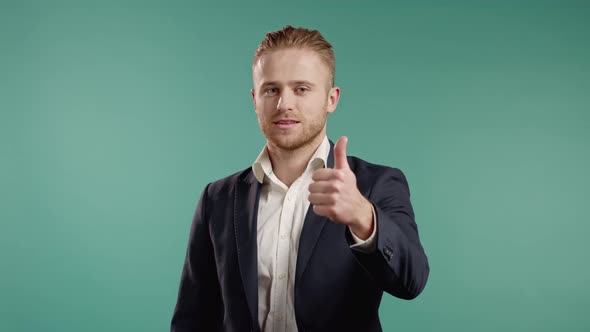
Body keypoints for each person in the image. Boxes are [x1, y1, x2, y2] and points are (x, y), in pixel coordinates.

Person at [171, 25, 430, 332]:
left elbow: (412, 280)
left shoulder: (377, 184)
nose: (284, 104)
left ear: (331, 99)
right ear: (255, 99)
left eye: (302, 89)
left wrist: (363, 216)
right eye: (272, 90)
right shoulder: (217, 199)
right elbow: (193, 317)